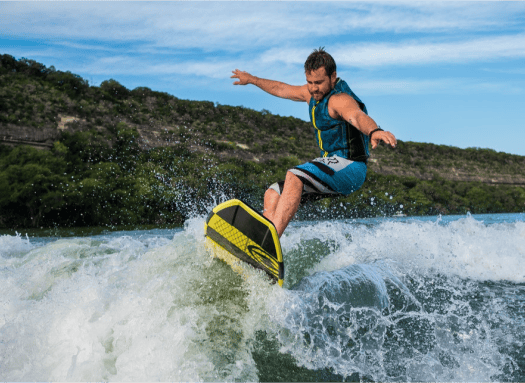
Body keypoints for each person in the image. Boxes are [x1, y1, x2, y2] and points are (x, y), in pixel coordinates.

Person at [231, 48, 397, 237]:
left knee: (294, 175)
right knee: (273, 193)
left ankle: (269, 240)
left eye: (319, 82)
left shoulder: (339, 99)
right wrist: (252, 79)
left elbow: (356, 116)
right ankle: (262, 238)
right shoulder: (310, 94)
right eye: (310, 82)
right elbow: (280, 88)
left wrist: (374, 130)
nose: (313, 88)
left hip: (351, 167)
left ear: (333, 77)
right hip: (331, 169)